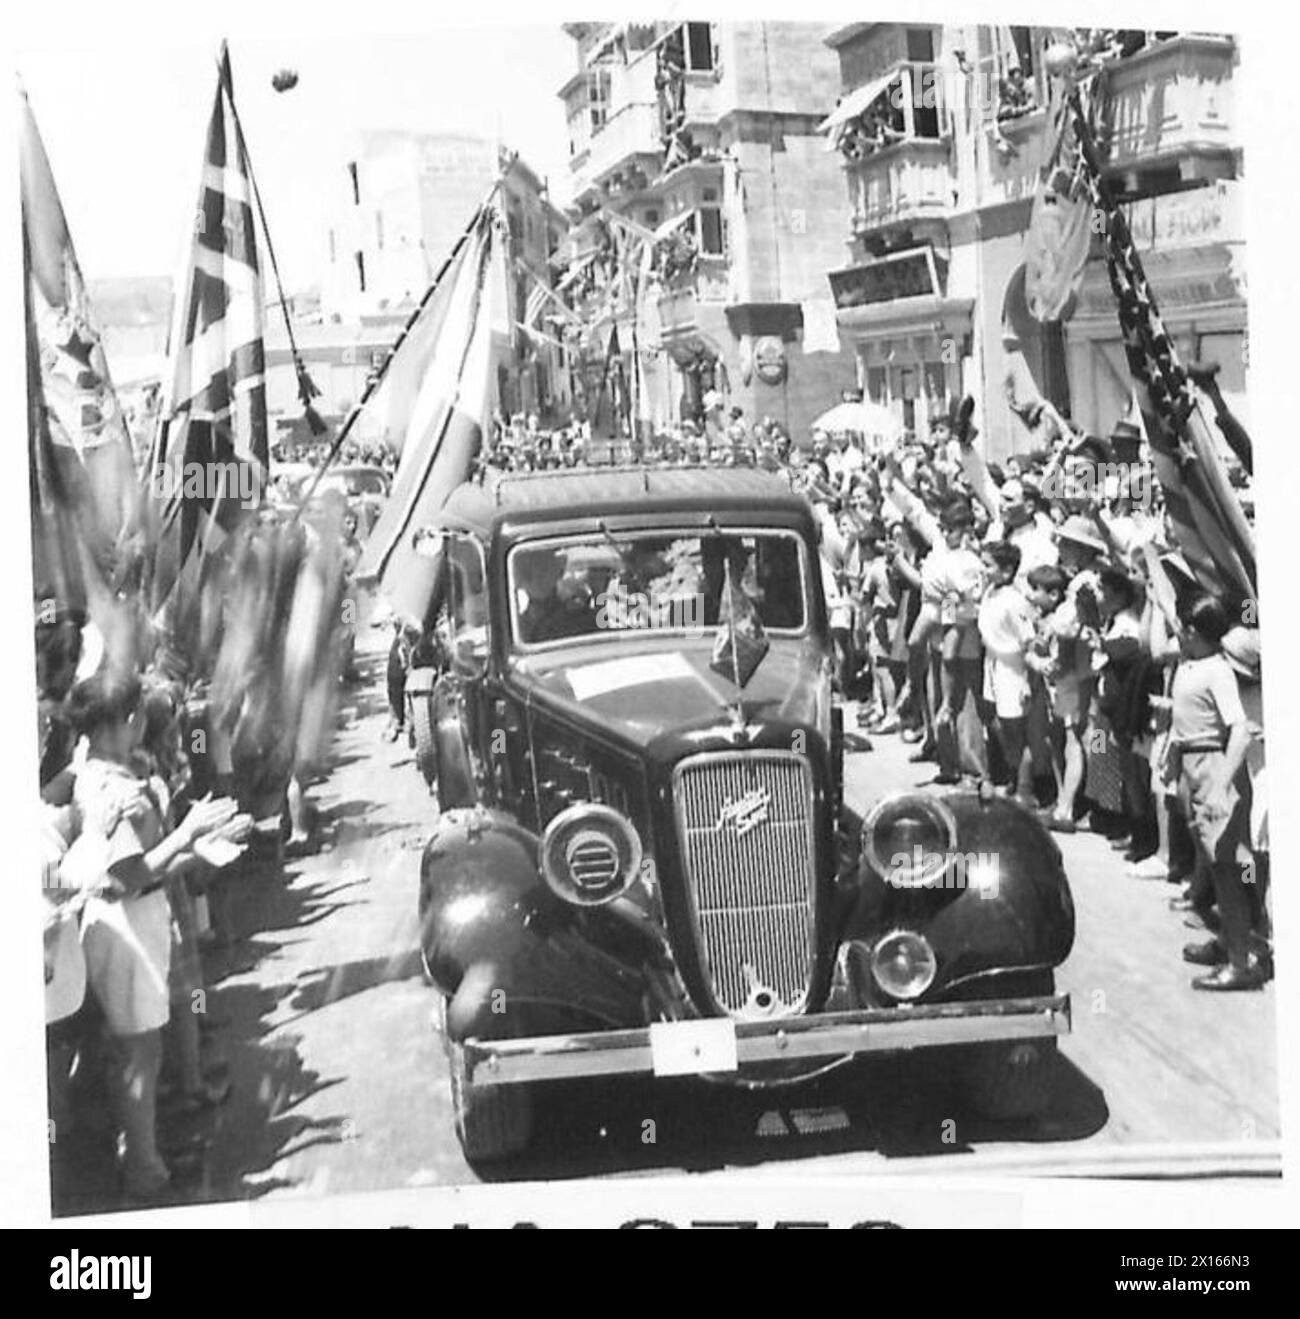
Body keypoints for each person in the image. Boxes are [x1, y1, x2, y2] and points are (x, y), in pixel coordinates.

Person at [66, 673, 236, 1200]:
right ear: (116, 722)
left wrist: (203, 842)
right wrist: (187, 835)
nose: (142, 720)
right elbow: (127, 876)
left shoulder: (113, 772)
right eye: (135, 713)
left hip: (138, 922)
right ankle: (145, 1171)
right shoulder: (110, 789)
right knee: (137, 1057)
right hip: (124, 926)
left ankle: (148, 1153)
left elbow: (148, 867)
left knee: (144, 1052)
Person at [1166, 595, 1268, 990]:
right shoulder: (1192, 664)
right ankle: (1229, 941)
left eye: (1183, 627)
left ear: (1193, 631)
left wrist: (1220, 786)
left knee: (1226, 870)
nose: (1179, 632)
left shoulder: (1217, 672)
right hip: (1192, 763)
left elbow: (1240, 731)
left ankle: (1241, 964)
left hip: (1212, 767)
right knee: (1214, 860)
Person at [978, 540, 1036, 801]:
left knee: (1015, 730)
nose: (983, 570)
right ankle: (1010, 777)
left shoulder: (1016, 601)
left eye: (988, 565)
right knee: (996, 724)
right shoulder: (990, 592)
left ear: (1007, 570)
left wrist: (1026, 680)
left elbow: (1028, 642)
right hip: (992, 666)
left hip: (1013, 671)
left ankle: (1026, 788)